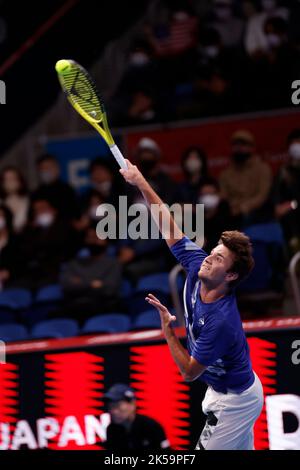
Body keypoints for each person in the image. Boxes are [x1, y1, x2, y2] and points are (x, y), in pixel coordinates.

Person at [119, 158, 264, 450]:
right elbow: (168, 225)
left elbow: (188, 372)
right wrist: (140, 181)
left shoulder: (221, 321)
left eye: (219, 258)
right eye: (212, 252)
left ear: (231, 275)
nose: (209, 258)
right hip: (225, 388)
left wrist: (168, 329)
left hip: (235, 400)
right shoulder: (198, 266)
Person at [60, 226, 122, 323]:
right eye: (90, 237)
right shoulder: (74, 264)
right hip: (73, 309)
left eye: (97, 237)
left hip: (102, 308)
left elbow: (110, 289)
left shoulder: (113, 263)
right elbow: (67, 286)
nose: (93, 241)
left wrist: (81, 282)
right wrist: (93, 284)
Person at [219, 129, 273, 228]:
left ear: (251, 147)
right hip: (232, 214)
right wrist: (233, 208)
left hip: (256, 213)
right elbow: (224, 196)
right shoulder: (225, 173)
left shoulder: (262, 169)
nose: (239, 148)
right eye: (236, 145)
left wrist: (244, 207)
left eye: (243, 144)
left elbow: (262, 195)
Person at [104, 383, 170, 451]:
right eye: (110, 406)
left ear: (132, 404)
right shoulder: (111, 430)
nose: (113, 411)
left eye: (118, 405)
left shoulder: (151, 427)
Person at [273, 128, 300, 254]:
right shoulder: (284, 173)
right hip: (291, 219)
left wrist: (293, 204)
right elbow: (278, 207)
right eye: (293, 144)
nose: (296, 147)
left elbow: (292, 203)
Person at [33, 154, 79, 221]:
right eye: (42, 168)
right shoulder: (36, 194)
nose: (46, 171)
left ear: (57, 169)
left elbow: (74, 213)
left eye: (48, 168)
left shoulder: (67, 190)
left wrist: (55, 213)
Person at [0, 166, 29, 233]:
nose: (10, 182)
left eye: (13, 178)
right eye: (6, 179)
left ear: (20, 181)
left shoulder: (29, 201)